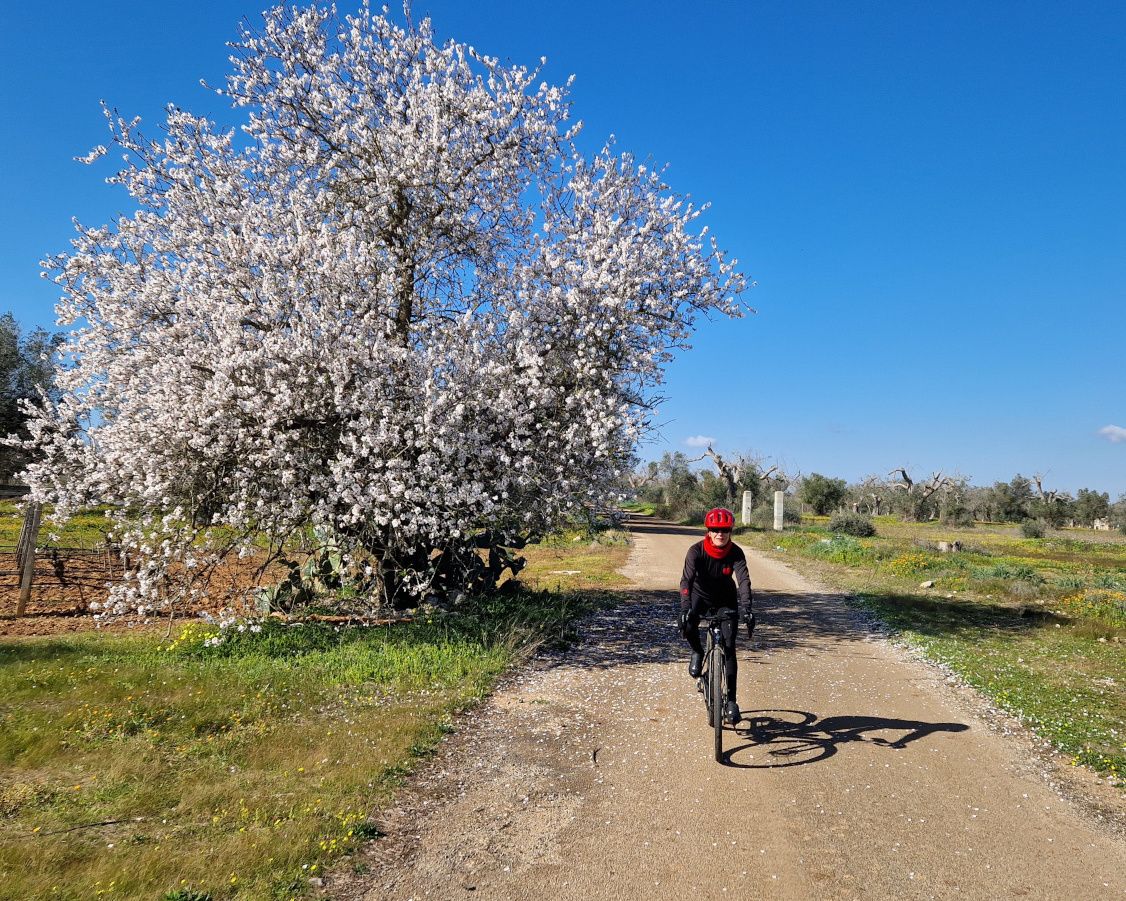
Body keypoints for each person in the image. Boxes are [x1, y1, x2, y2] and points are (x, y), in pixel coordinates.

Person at [678, 507, 754, 723]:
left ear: (730, 531)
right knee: (688, 624)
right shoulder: (696, 551)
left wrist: (747, 608)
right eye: (715, 529)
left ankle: (731, 701)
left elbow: (744, 581)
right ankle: (697, 652)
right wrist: (685, 608)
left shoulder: (736, 553)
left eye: (725, 529)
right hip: (699, 598)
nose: (720, 533)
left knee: (729, 648)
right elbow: (686, 581)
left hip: (725, 601)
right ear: (709, 531)